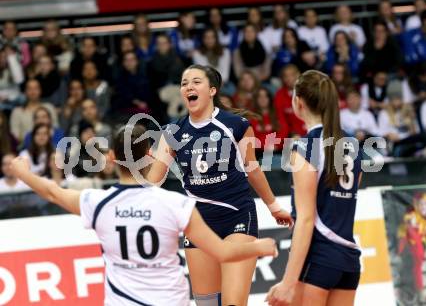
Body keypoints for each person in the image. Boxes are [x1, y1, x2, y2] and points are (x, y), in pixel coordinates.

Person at [9, 123, 278, 306]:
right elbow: (221, 252)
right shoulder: (174, 204)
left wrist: (22, 173)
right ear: (150, 156)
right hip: (169, 300)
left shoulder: (98, 202)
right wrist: (260, 246)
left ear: (112, 157)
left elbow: (52, 192)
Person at [148, 64, 292, 305]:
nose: (188, 87)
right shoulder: (172, 132)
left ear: (212, 90)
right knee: (207, 303)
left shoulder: (235, 125)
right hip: (197, 223)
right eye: (184, 83)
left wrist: (273, 206)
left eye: (196, 82)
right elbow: (153, 181)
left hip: (236, 215)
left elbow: (253, 169)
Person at [266, 70, 362, 306]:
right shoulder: (353, 144)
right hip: (348, 260)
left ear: (298, 103)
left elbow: (306, 219)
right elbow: (345, 199)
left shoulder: (305, 148)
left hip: (319, 258)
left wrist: (288, 282)